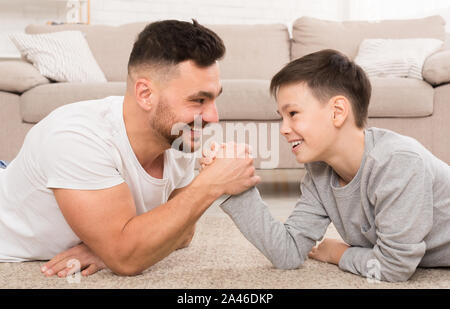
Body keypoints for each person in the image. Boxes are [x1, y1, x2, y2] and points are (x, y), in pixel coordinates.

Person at [0, 20, 260, 277]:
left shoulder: (178, 137)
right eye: (198, 100)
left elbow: (183, 234)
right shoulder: (75, 137)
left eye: (214, 98)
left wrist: (111, 247)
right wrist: (210, 183)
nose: (213, 116)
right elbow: (126, 260)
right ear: (146, 94)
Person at [202, 49, 450, 282]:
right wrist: (236, 186)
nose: (284, 129)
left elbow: (395, 267)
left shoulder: (398, 162)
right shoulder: (320, 173)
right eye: (281, 117)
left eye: (293, 113)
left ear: (337, 112)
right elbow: (287, 252)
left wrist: (338, 254)